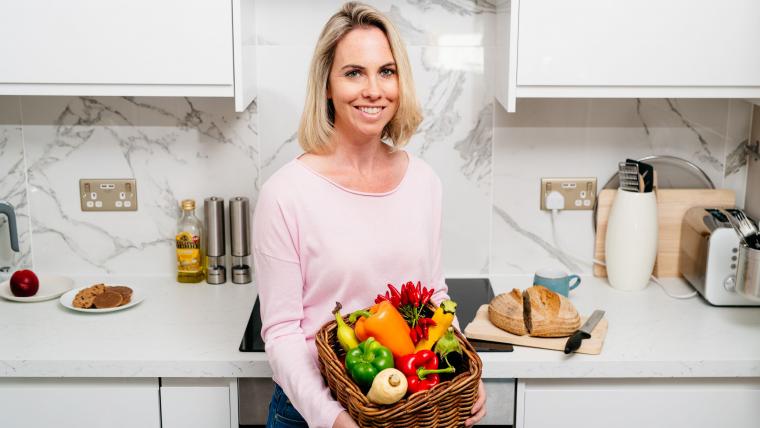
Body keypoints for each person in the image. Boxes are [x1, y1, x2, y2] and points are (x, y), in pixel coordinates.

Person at [252, 2, 486, 427]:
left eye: (387, 71)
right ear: (326, 85)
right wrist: (334, 419)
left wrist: (460, 371)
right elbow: (282, 332)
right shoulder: (285, 194)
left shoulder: (424, 181)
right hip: (313, 412)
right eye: (354, 72)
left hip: (412, 402)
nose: (374, 90)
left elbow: (433, 297)